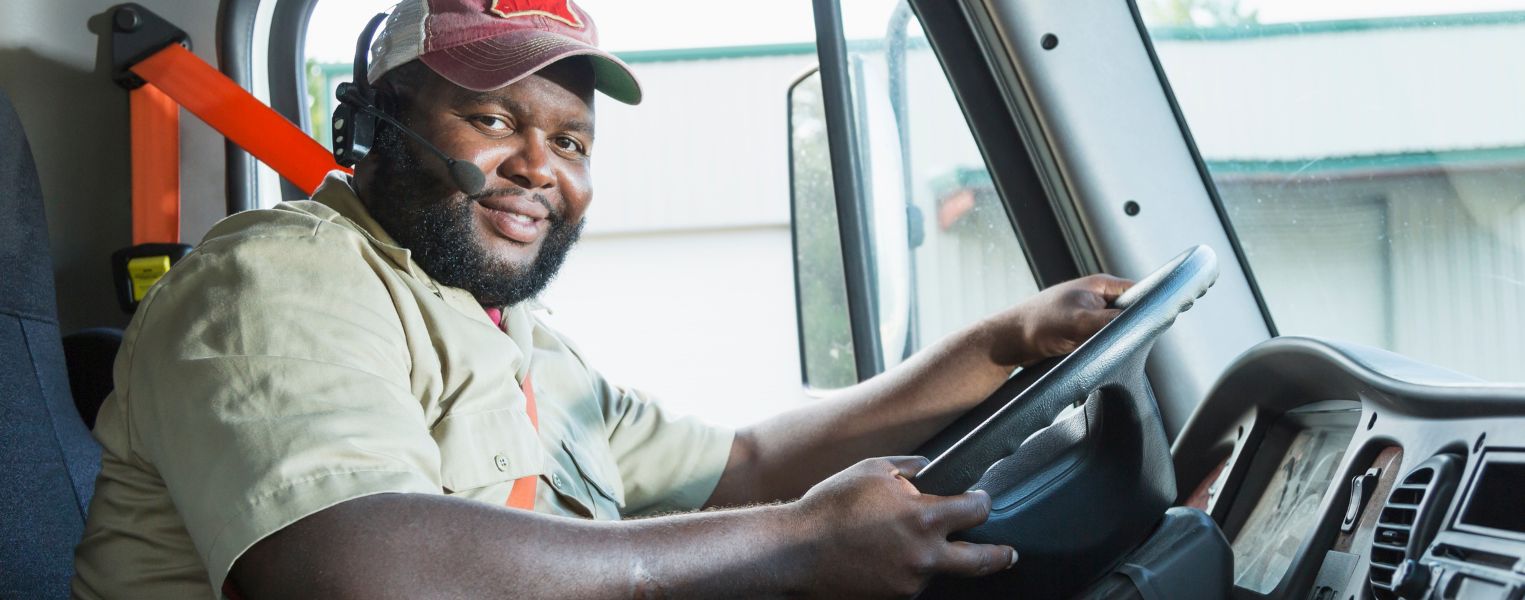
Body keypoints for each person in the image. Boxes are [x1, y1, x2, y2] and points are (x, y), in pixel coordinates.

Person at [71, 1, 1135, 597]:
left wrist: (1001, 342)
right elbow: (350, 573)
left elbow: (748, 468)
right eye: (493, 120)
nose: (543, 166)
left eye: (572, 140)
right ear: (371, 127)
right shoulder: (282, 278)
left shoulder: (517, 338)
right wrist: (802, 543)